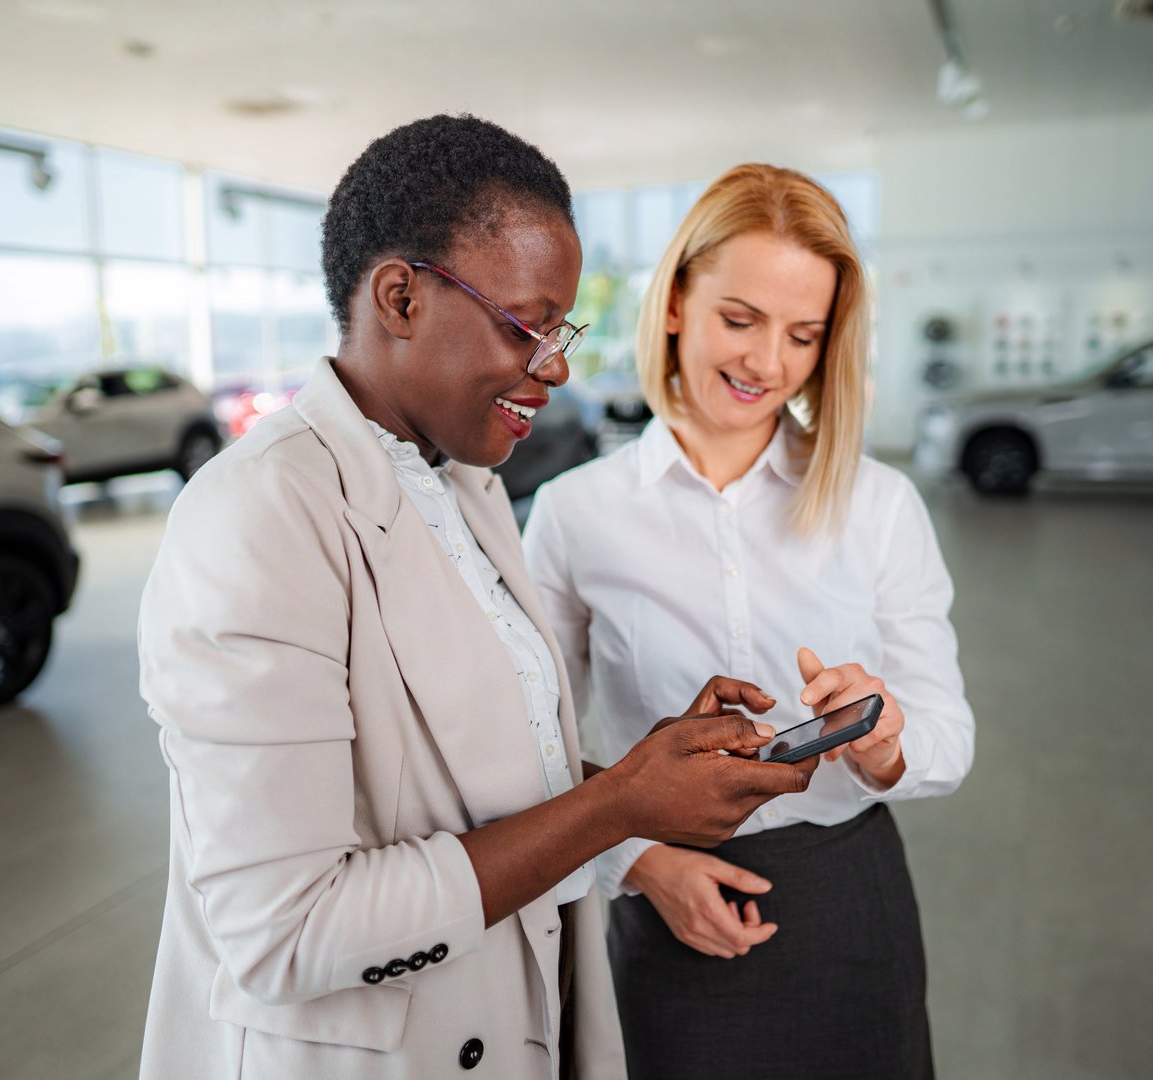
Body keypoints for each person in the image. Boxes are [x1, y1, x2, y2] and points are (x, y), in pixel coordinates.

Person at [135, 119, 819, 1080]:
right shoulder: (258, 515)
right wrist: (620, 805)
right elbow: (285, 929)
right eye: (528, 326)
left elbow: (474, 762)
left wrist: (650, 768)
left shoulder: (465, 485)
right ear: (401, 296)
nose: (557, 367)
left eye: (563, 330)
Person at [524, 164, 976, 1079]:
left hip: (851, 901)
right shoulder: (578, 513)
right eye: (742, 319)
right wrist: (640, 862)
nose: (768, 363)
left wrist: (885, 741)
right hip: (669, 906)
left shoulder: (878, 503)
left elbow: (948, 735)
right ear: (679, 299)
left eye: (804, 335)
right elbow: (527, 738)